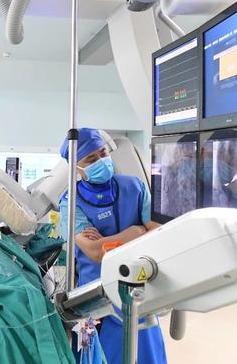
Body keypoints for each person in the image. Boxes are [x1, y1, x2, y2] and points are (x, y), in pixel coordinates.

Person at [59, 128, 166, 364]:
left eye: (103, 153)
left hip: (140, 288)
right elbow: (94, 252)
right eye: (91, 159)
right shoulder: (71, 201)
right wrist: (135, 232)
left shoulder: (134, 186)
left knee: (148, 355)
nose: (101, 161)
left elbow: (158, 232)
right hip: (97, 298)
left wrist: (108, 241)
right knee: (102, 356)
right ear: (76, 167)